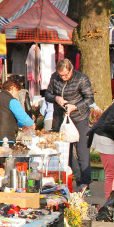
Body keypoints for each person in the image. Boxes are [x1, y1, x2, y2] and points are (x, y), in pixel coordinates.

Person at [44, 59, 95, 194]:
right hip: (60, 117)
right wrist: (56, 98)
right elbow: (47, 94)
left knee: (82, 152)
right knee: (63, 151)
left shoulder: (82, 79)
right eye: (61, 75)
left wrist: (75, 107)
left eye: (66, 75)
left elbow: (90, 98)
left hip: (79, 118)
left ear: (71, 70)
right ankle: (65, 182)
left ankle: (85, 183)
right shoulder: (54, 77)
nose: (63, 78)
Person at [0, 79, 35, 145]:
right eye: (17, 91)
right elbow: (23, 118)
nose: (17, 94)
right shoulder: (12, 101)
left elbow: (7, 117)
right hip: (5, 138)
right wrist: (31, 124)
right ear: (13, 88)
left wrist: (22, 125)